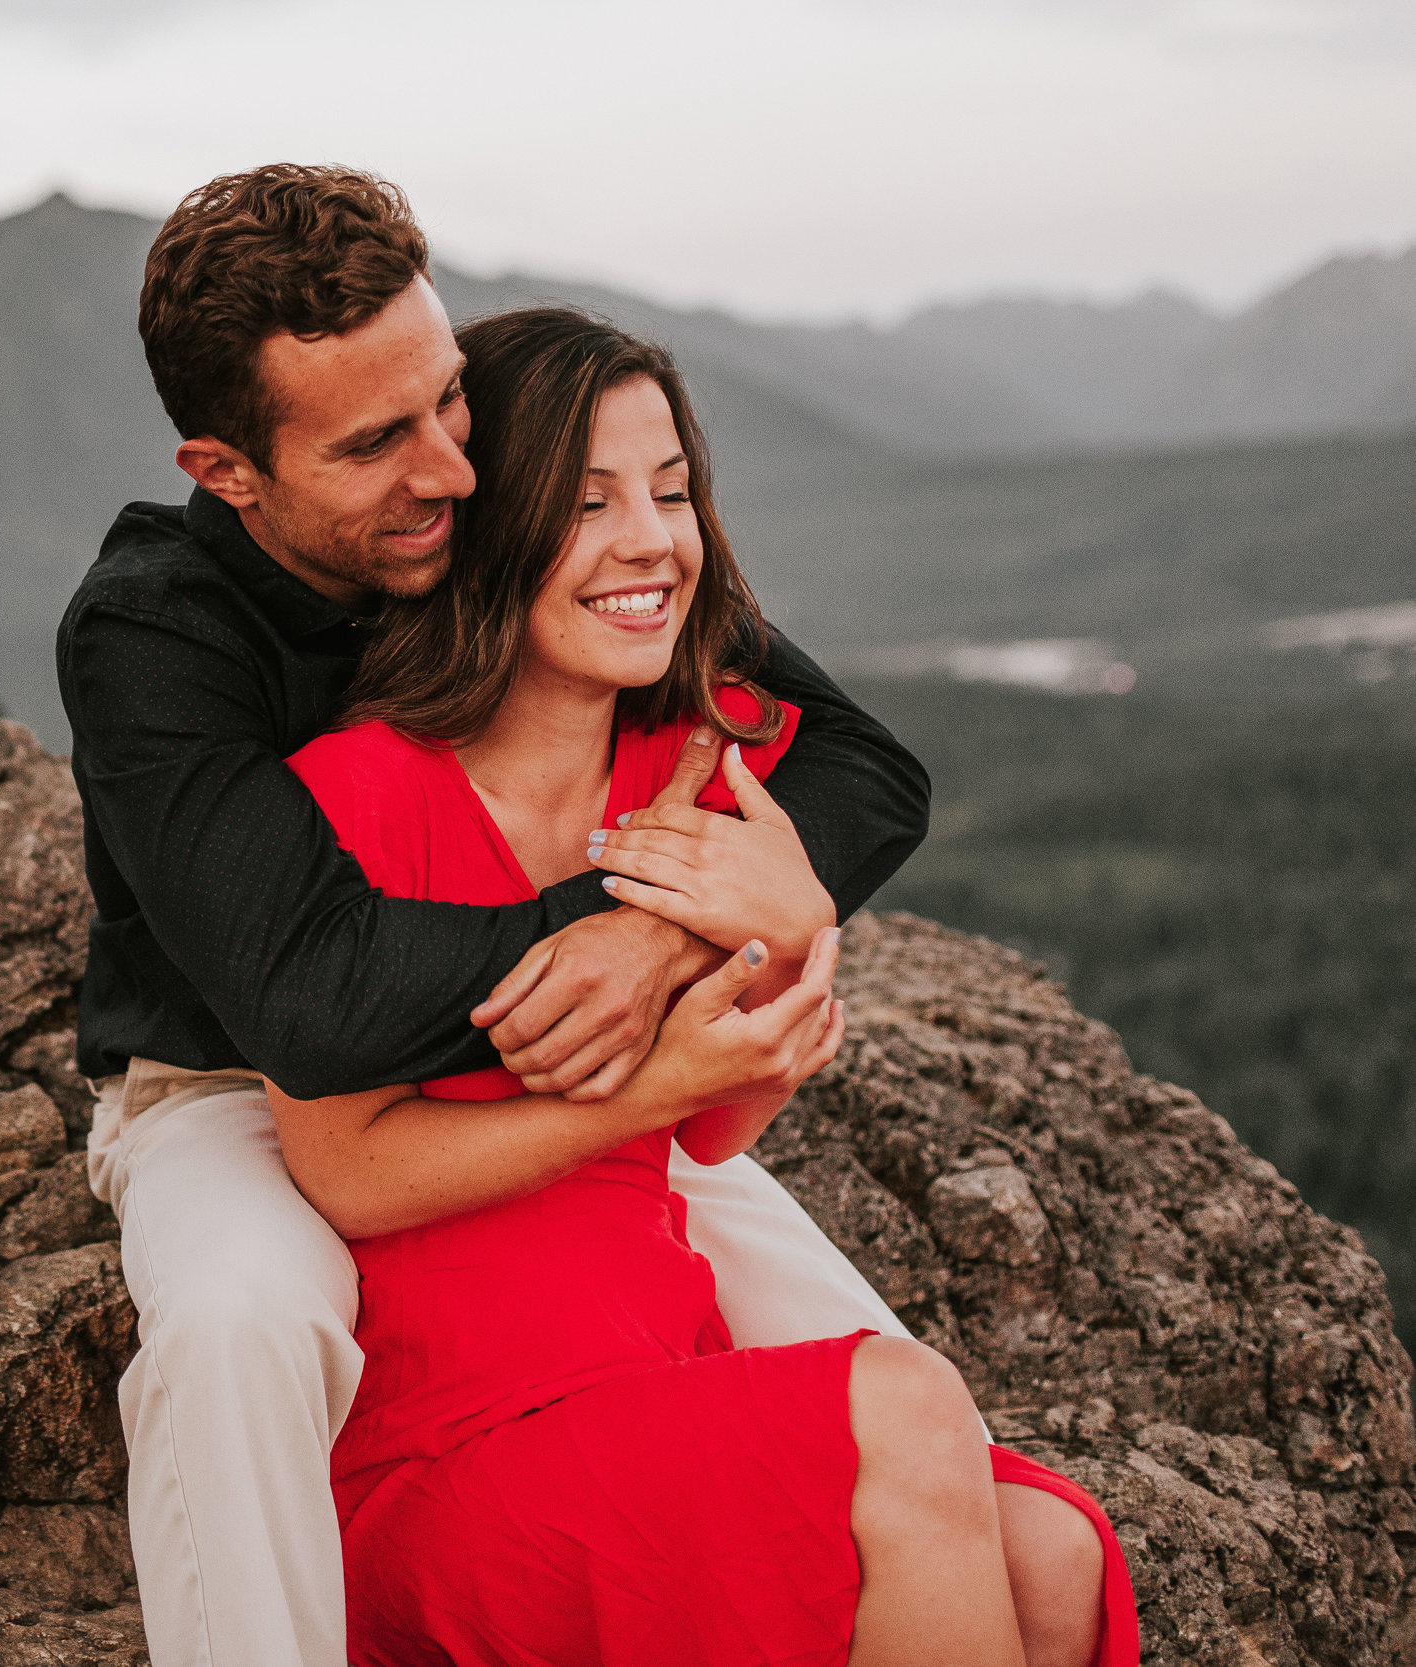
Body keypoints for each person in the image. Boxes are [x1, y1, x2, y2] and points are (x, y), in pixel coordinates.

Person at [60, 163, 903, 1666]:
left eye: (447, 398)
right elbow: (308, 998)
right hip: (240, 1090)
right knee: (245, 1323)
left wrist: (660, 929)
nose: (450, 469)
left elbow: (861, 765)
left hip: (548, 1060)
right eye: (377, 442)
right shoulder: (155, 633)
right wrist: (632, 934)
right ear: (228, 468)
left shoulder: (476, 507)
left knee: (885, 1389)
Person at [272, 304, 1138, 1666]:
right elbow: (342, 1168)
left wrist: (774, 1011)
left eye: (672, 492)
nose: (652, 542)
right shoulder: (355, 793)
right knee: (906, 1407)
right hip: (454, 1457)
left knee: (1056, 1551)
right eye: (587, 501)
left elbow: (709, 1130)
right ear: (481, 525)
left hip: (648, 1378)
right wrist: (665, 1084)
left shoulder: (689, 772)